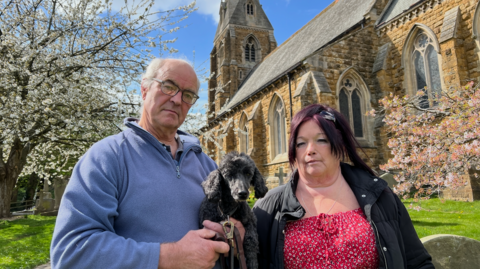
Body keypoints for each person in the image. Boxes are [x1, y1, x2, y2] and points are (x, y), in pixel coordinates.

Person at [51, 58, 241, 269]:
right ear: (144, 89)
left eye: (187, 95)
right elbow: (71, 252)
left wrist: (236, 235)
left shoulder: (207, 165)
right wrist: (169, 256)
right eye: (168, 87)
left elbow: (233, 226)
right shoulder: (107, 157)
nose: (177, 100)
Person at [253, 104, 434, 269]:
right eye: (301, 143)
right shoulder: (268, 208)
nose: (310, 150)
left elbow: (417, 262)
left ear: (341, 144)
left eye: (321, 140)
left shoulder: (380, 197)